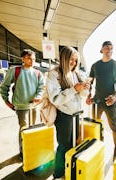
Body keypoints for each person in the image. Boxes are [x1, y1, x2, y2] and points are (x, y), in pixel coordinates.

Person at [46, 46, 89, 179]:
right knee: (64, 146)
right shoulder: (54, 74)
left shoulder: (76, 73)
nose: (74, 63)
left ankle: (68, 170)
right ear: (64, 58)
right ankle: (58, 174)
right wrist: (74, 89)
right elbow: (55, 99)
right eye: (71, 59)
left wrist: (85, 89)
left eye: (76, 61)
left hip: (76, 115)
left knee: (73, 144)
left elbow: (82, 95)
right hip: (63, 116)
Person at [0, 49, 44, 158]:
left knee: (32, 127)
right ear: (22, 59)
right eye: (29, 58)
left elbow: (41, 88)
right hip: (21, 106)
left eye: (33, 59)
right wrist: (7, 102)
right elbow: (4, 87)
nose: (31, 61)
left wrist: (38, 97)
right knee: (23, 129)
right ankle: (23, 152)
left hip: (33, 106)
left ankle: (31, 149)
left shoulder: (38, 73)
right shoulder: (15, 71)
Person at [86, 41, 116, 159]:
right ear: (101, 49)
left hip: (110, 101)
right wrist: (88, 95)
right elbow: (90, 82)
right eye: (107, 48)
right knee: (96, 125)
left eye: (111, 48)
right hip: (97, 101)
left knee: (114, 126)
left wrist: (115, 95)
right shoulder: (95, 65)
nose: (109, 50)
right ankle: (97, 146)